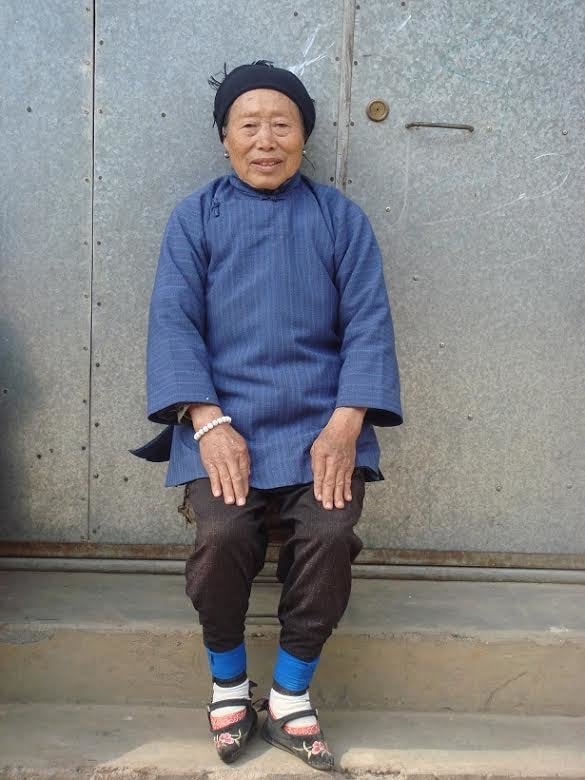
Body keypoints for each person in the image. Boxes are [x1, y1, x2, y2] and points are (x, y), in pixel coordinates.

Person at [132, 60, 403, 771]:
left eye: (281, 124)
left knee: (331, 531)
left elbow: (369, 327)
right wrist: (206, 419)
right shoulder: (196, 216)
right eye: (247, 125)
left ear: (303, 137)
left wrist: (345, 426)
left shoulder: (339, 218)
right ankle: (228, 682)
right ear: (223, 137)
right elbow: (173, 324)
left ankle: (289, 693)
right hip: (219, 423)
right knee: (221, 534)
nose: (265, 139)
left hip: (321, 424)